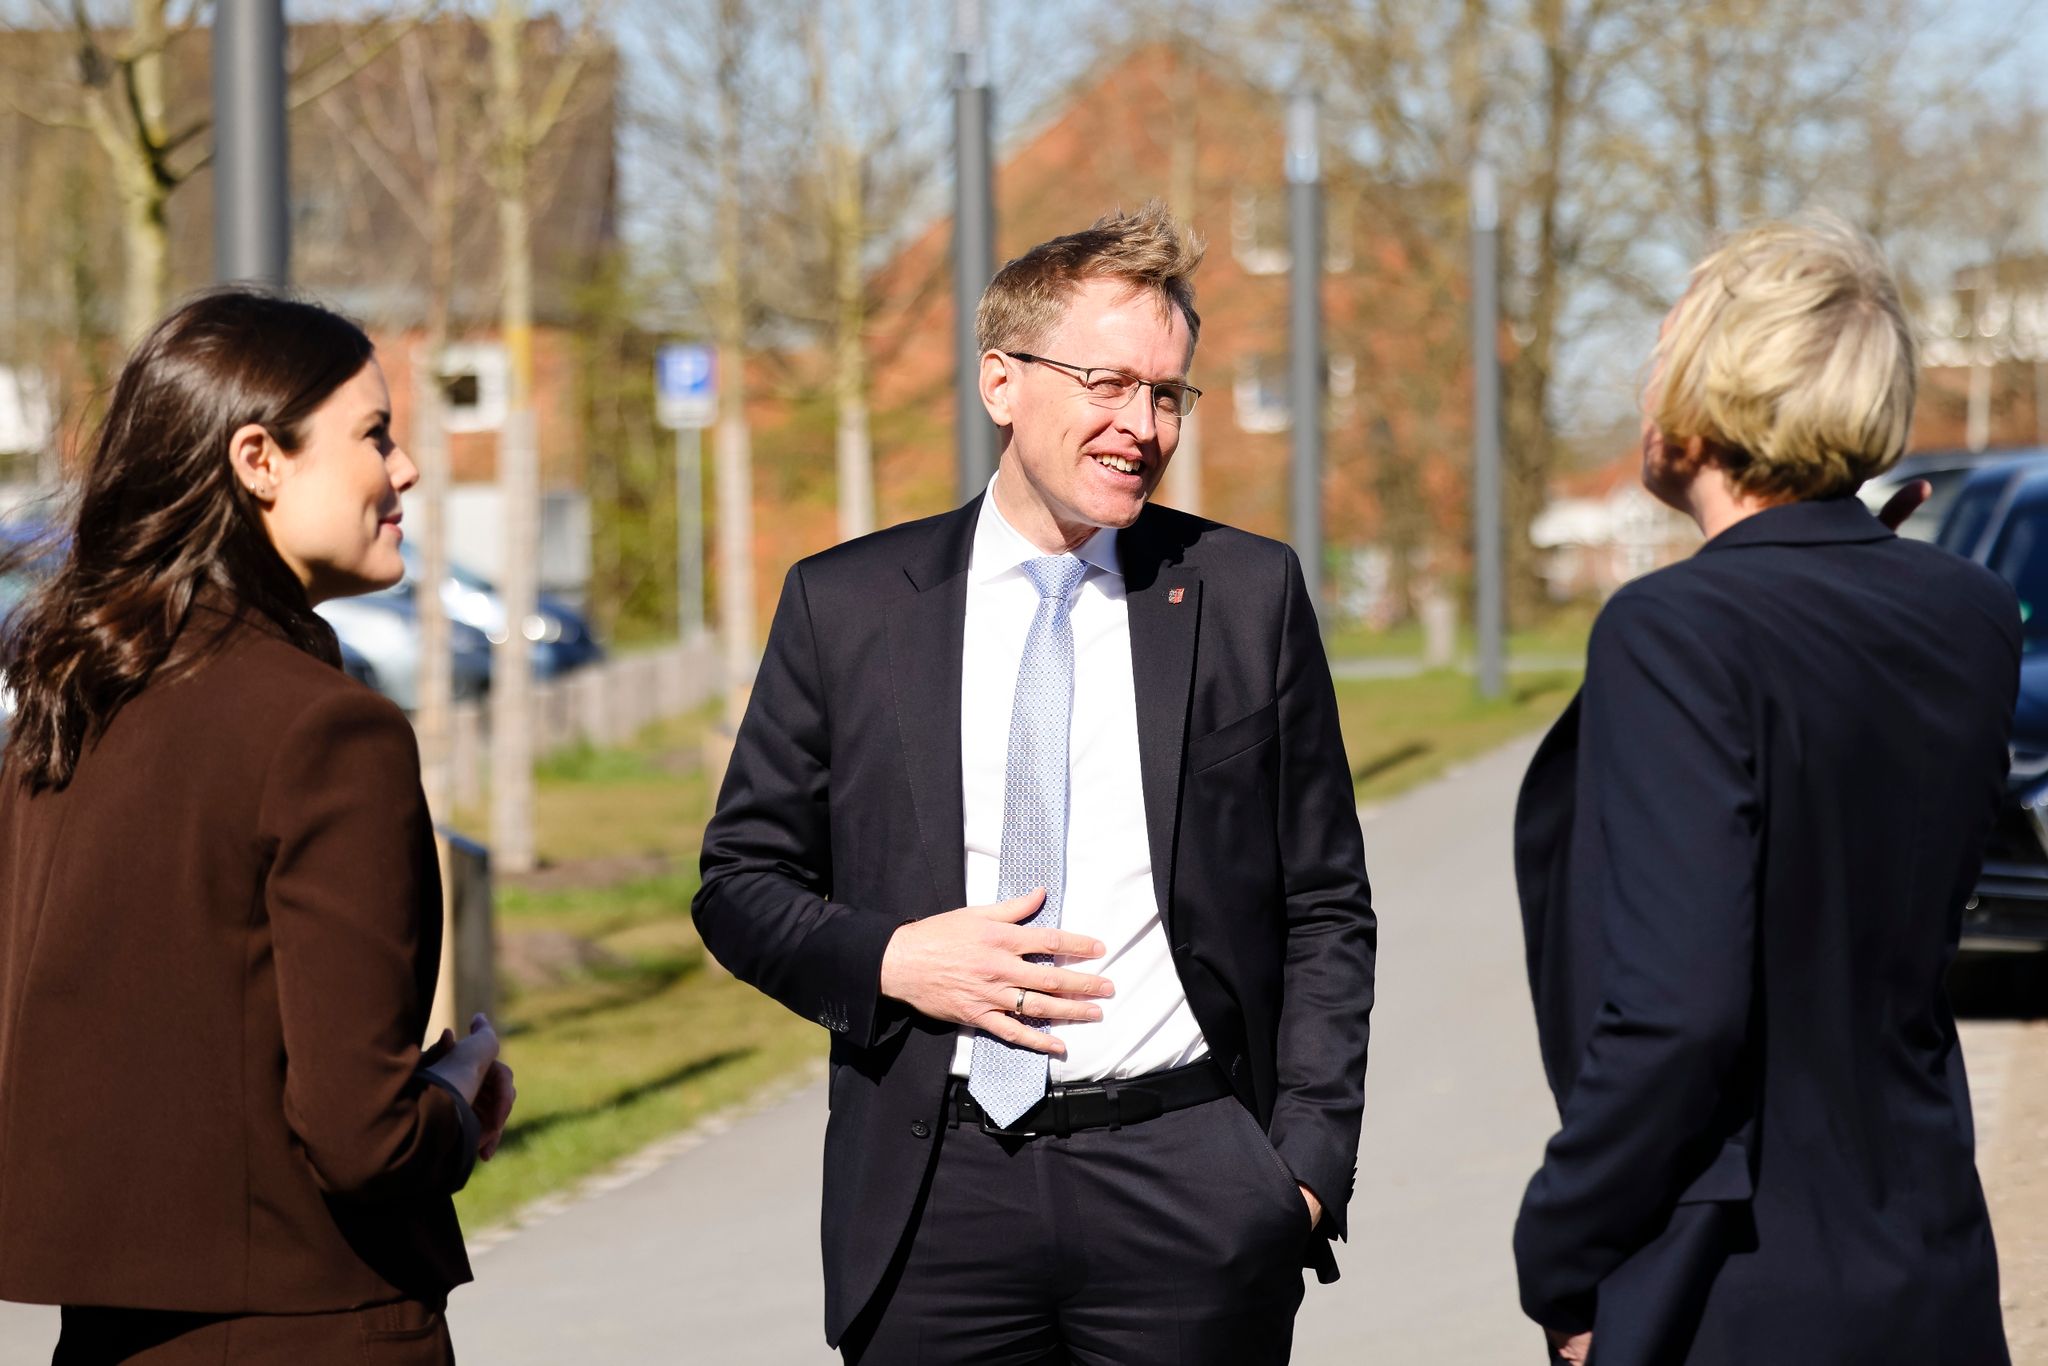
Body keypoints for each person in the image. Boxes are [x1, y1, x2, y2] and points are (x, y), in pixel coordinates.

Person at [693, 201, 1376, 1363]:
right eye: (1107, 383)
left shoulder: (1245, 595)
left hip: (1187, 1181)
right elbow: (738, 882)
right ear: (1001, 381)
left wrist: (1298, 1168)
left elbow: (1322, 901)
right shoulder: (846, 604)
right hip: (933, 1189)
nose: (1141, 425)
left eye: (1167, 393)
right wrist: (893, 958)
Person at [1513, 216, 2014, 1365]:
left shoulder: (1672, 629)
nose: (1643, 386)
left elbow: (1678, 1012)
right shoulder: (1969, 613)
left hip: (1730, 1276)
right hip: (1922, 1241)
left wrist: (1563, 1247)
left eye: (1661, 355)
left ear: (1710, 393)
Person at [0, 288, 515, 1365]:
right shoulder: (330, 734)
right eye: (374, 434)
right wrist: (459, 1096)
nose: (405, 468)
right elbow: (361, 1136)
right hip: (314, 1327)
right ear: (258, 459)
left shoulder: (68, 710)